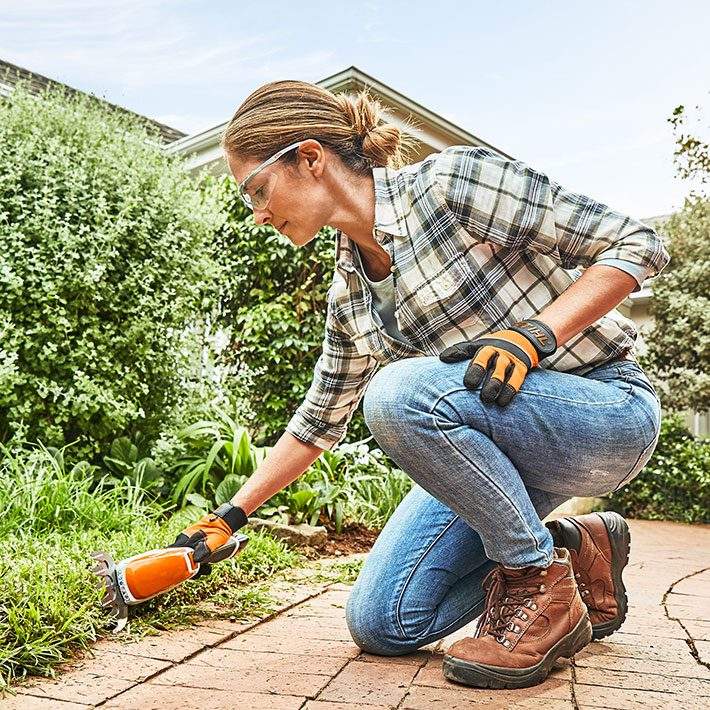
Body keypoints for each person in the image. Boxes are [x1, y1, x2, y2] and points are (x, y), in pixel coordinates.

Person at [170, 80, 670, 690]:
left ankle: (540, 583)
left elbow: (637, 241)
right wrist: (231, 515)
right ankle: (575, 546)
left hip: (603, 410)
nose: (258, 213)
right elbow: (318, 420)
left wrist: (534, 335)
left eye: (257, 189)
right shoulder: (351, 291)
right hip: (502, 457)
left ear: (309, 157)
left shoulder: (450, 184)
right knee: (384, 621)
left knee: (398, 395)